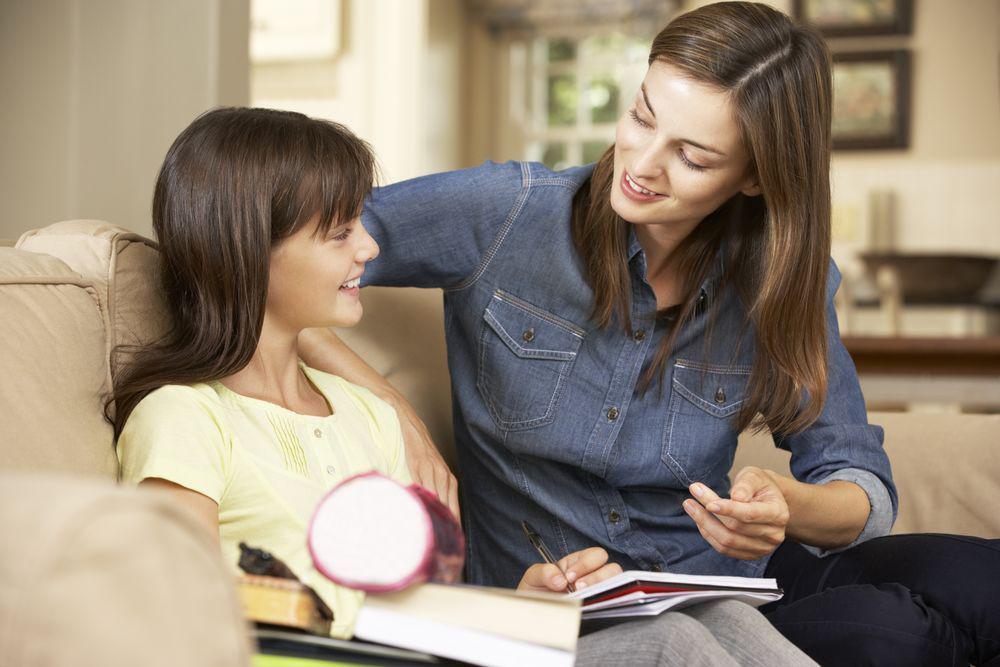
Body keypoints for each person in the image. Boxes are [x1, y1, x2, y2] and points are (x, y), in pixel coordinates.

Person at [298, 2, 1000, 665]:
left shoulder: (782, 278)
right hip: (577, 608)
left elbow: (861, 488)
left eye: (693, 158)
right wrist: (392, 406)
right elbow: (275, 262)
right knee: (899, 636)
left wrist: (787, 508)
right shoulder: (505, 214)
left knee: (982, 579)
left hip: (737, 587)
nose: (640, 164)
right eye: (640, 116)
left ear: (755, 178)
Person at [110, 107, 813, 665]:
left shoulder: (369, 415)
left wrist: (520, 603)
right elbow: (181, 615)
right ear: (246, 249)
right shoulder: (184, 418)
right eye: (338, 231)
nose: (370, 246)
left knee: (716, 616)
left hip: (432, 651)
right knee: (671, 647)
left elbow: (418, 608)